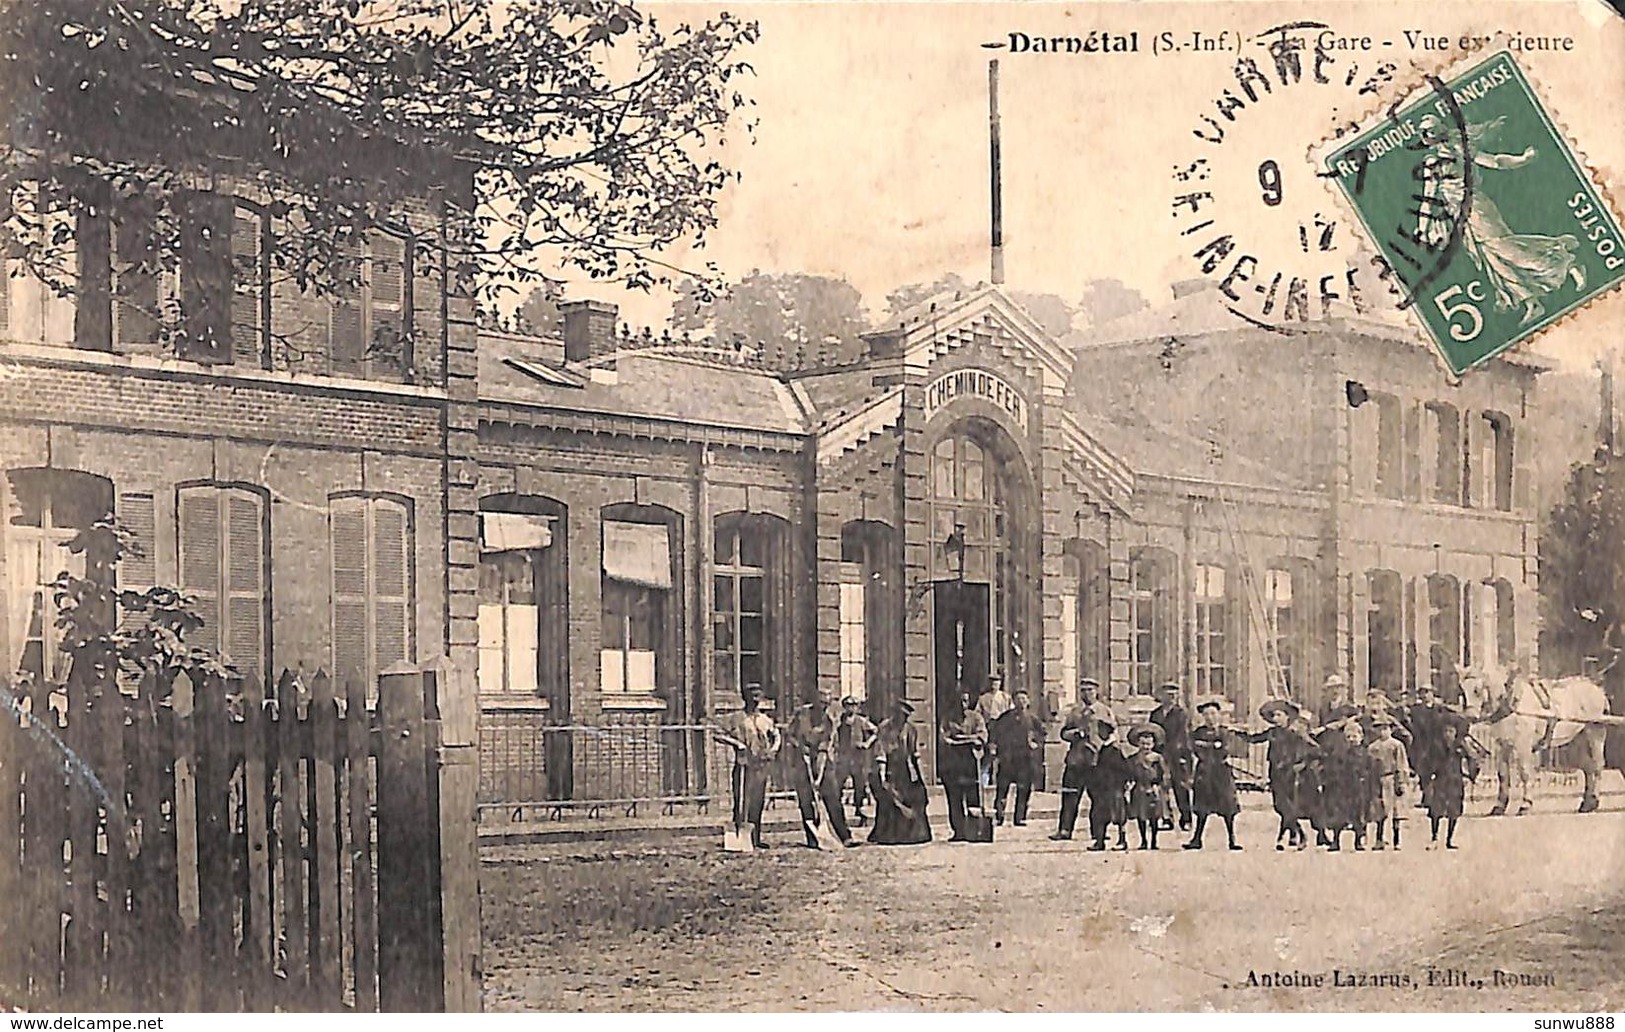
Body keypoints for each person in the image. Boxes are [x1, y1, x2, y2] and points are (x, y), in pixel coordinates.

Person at [715, 683, 780, 849]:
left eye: (758, 696)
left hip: (761, 766)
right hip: (744, 765)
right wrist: (737, 744)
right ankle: (738, 836)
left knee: (757, 801)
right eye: (751, 696)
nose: (755, 700)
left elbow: (776, 736)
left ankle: (755, 837)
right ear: (745, 698)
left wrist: (773, 749)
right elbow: (718, 734)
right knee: (742, 800)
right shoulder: (736, 718)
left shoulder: (765, 720)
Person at [787, 689, 854, 848]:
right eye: (821, 703)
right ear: (815, 702)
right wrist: (799, 746)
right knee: (806, 801)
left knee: (833, 799)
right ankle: (813, 837)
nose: (824, 707)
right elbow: (789, 734)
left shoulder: (829, 721)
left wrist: (818, 777)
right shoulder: (801, 714)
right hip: (801, 762)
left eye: (827, 704)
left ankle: (845, 836)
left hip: (823, 763)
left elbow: (824, 749)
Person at [1051, 679, 1111, 841]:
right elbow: (1063, 733)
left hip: (1096, 762)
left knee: (1099, 798)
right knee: (1070, 796)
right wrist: (1075, 733)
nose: (1087, 694)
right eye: (1083, 690)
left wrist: (1102, 743)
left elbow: (1112, 735)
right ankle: (1065, 830)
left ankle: (1098, 832)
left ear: (1097, 691)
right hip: (1076, 761)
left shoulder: (1103, 711)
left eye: (1090, 690)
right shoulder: (1074, 712)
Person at [1246, 698, 1309, 851]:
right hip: (1275, 772)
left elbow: (1310, 749)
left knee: (1287, 805)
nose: (1276, 719)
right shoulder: (1272, 732)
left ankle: (1292, 835)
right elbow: (1255, 739)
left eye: (1279, 715)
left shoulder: (1295, 733)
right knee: (1279, 806)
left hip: (1290, 773)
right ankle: (1294, 834)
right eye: (1273, 716)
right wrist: (1237, 734)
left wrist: (1301, 764)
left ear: (1287, 716)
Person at [869, 698, 932, 845]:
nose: (903, 720)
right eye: (901, 716)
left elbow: (915, 753)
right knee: (890, 799)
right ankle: (887, 834)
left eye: (906, 717)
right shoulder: (885, 728)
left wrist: (921, 777)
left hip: (906, 769)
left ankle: (912, 835)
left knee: (912, 799)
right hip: (890, 767)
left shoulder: (911, 729)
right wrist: (882, 773)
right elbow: (881, 752)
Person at [1184, 697, 1241, 851]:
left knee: (1227, 806)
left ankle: (1232, 839)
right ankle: (1197, 839)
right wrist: (1211, 746)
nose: (1210, 717)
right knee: (1202, 807)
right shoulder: (1198, 732)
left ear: (1219, 715)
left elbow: (1225, 749)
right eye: (1206, 714)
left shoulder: (1225, 732)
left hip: (1221, 772)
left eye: (1213, 714)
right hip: (1204, 772)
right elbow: (1193, 748)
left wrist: (1207, 745)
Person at [939, 686, 989, 842]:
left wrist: (960, 739)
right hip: (952, 763)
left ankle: (974, 830)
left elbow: (982, 737)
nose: (963, 704)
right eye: (960, 701)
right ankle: (958, 831)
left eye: (966, 701)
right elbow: (944, 739)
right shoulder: (948, 718)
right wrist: (967, 739)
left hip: (970, 763)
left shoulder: (976, 718)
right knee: (954, 799)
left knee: (973, 797)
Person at [990, 689, 1045, 826]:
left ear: (1028, 701)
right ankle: (999, 815)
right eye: (1018, 699)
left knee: (1024, 789)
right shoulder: (1005, 718)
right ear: (1013, 701)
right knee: (1002, 788)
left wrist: (1036, 743)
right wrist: (994, 748)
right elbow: (995, 733)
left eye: (1024, 699)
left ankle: (1020, 817)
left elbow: (1042, 733)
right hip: (1008, 758)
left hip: (1025, 760)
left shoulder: (1032, 719)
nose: (1021, 702)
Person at [1321, 718, 1376, 851]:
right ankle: (1336, 841)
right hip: (1343, 788)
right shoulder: (1340, 754)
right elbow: (1333, 769)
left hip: (1360, 789)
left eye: (1355, 736)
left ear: (1361, 737)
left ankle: (1359, 841)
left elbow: (1371, 771)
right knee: (1339, 815)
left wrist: (1369, 785)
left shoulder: (1366, 754)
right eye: (1348, 736)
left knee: (1359, 814)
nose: (1352, 739)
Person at [1150, 682, 1194, 831]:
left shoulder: (1182, 713)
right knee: (1162, 787)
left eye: (1175, 695)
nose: (1172, 697)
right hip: (1160, 754)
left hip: (1178, 754)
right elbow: (1153, 732)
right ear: (1161, 696)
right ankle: (1166, 817)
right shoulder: (1155, 714)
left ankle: (1186, 818)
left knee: (1181, 787)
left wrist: (1175, 753)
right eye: (1168, 695)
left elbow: (1182, 736)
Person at [1367, 715, 1411, 850]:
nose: (1382, 732)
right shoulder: (1373, 747)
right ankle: (1379, 839)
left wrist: (1402, 781)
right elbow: (1369, 767)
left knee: (1396, 811)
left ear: (1390, 730)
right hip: (1378, 779)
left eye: (1385, 728)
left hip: (1392, 779)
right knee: (1380, 810)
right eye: (1380, 729)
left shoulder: (1396, 745)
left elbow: (1401, 764)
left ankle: (1396, 840)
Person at [1087, 720, 1131, 851]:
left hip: (1114, 787)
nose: (1100, 733)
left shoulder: (1114, 750)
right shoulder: (1104, 748)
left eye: (1102, 730)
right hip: (1103, 787)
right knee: (1101, 814)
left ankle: (1122, 840)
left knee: (1118, 815)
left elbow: (1123, 769)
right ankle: (1100, 841)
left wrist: (1122, 785)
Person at [834, 696, 878, 826]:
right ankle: (838, 814)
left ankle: (860, 810)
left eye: (854, 705)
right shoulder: (840, 720)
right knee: (838, 784)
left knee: (860, 785)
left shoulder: (861, 721)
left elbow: (876, 731)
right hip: (843, 757)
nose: (851, 708)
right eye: (848, 705)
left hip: (858, 757)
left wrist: (867, 743)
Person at [1126, 724, 1171, 850]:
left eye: (1148, 744)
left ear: (1153, 744)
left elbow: (1165, 774)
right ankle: (1143, 840)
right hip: (1139, 789)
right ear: (1138, 744)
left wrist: (1161, 786)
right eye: (1142, 744)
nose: (1145, 747)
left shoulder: (1157, 758)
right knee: (1141, 816)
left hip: (1154, 789)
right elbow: (1129, 773)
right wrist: (1129, 783)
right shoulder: (1133, 759)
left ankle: (1154, 840)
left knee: (1154, 816)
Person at [1427, 721, 1470, 849]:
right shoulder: (1435, 746)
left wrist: (1468, 775)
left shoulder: (1460, 746)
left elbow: (1472, 759)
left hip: (1456, 781)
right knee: (1436, 810)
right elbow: (1428, 763)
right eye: (1445, 731)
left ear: (1455, 733)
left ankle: (1449, 839)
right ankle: (1434, 837)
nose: (1448, 734)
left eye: (1451, 731)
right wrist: (1429, 776)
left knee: (1454, 810)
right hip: (1440, 780)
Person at [975, 675, 1014, 789]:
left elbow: (1011, 712)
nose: (994, 685)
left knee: (1002, 756)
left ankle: (1000, 783)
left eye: (997, 683)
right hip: (989, 727)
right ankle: (984, 783)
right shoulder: (983, 698)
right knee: (988, 756)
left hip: (1002, 729)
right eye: (992, 683)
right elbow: (977, 713)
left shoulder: (1005, 697)